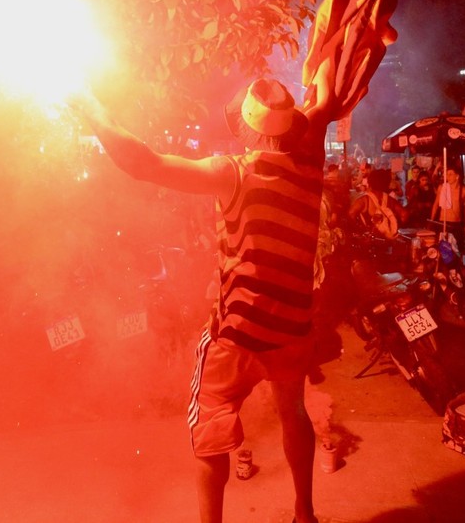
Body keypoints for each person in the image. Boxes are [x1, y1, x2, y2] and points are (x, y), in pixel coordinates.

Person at [70, 77, 328, 523]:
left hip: (237, 336)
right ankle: (304, 515)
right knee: (295, 412)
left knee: (212, 422)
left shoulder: (234, 171)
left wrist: (93, 110)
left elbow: (143, 163)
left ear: (247, 129)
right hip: (292, 328)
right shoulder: (310, 169)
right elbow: (322, 104)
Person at [348, 167, 406, 238]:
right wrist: (394, 225)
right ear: (387, 182)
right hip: (387, 239)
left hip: (370, 240)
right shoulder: (391, 200)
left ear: (370, 182)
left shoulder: (364, 199)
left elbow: (351, 213)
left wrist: (360, 229)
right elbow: (404, 214)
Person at [430, 164, 465, 239]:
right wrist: (432, 221)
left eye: (450, 174)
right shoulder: (442, 187)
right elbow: (436, 205)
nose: (448, 177)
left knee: (455, 247)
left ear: (457, 176)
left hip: (456, 223)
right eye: (447, 174)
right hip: (443, 222)